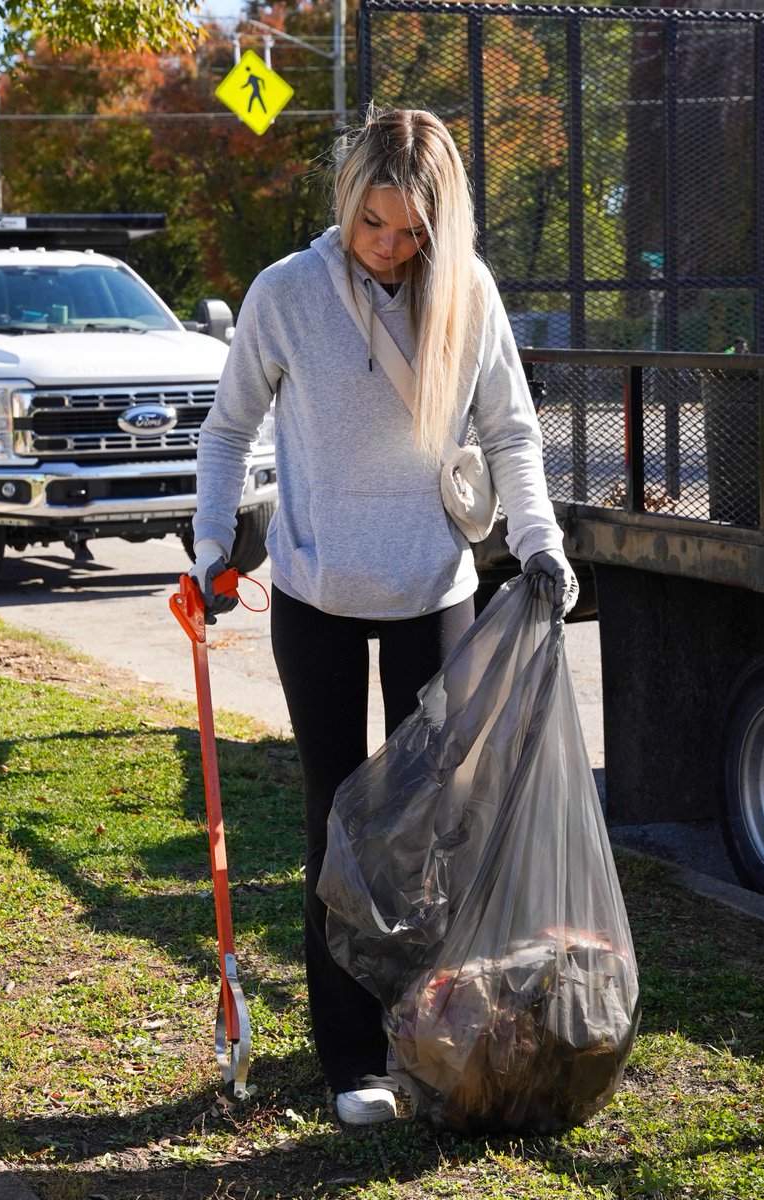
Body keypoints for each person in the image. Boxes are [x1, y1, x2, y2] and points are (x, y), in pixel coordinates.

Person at [188, 107, 578, 1127]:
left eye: (412, 233)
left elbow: (512, 434)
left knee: (426, 831)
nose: (390, 250)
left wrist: (540, 540)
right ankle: (349, 1060)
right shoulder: (286, 294)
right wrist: (208, 544)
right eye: (374, 224)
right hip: (316, 597)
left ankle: (429, 1035)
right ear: (347, 198)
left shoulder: (467, 294)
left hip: (433, 594)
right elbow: (226, 431)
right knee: (336, 821)